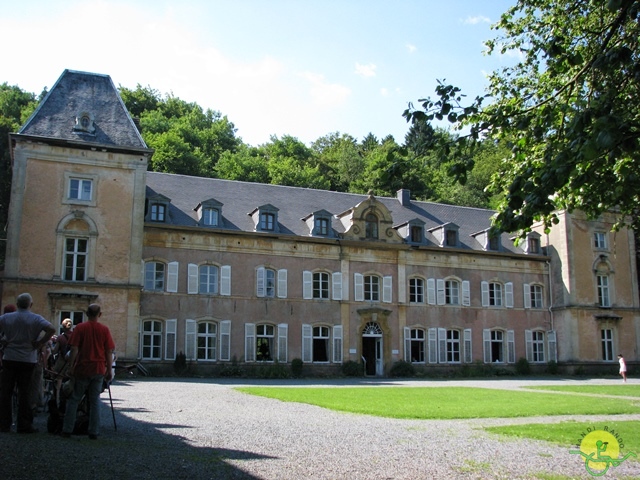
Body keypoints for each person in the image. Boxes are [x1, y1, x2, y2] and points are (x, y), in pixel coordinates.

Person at [0, 293, 55, 433]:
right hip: (28, 359)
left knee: (6, 392)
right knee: (25, 393)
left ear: (17, 304)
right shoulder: (35, 319)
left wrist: (3, 341)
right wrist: (40, 342)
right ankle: (24, 424)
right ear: (30, 305)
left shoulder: (6, 318)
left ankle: (4, 423)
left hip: (9, 357)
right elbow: (51, 329)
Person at [61, 304, 114, 440]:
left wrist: (71, 366)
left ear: (86, 313)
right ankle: (93, 431)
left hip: (82, 368)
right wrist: (109, 369)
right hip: (98, 369)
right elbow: (109, 351)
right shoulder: (104, 330)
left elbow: (74, 349)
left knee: (74, 399)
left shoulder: (80, 328)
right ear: (99, 314)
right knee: (95, 400)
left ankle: (67, 429)